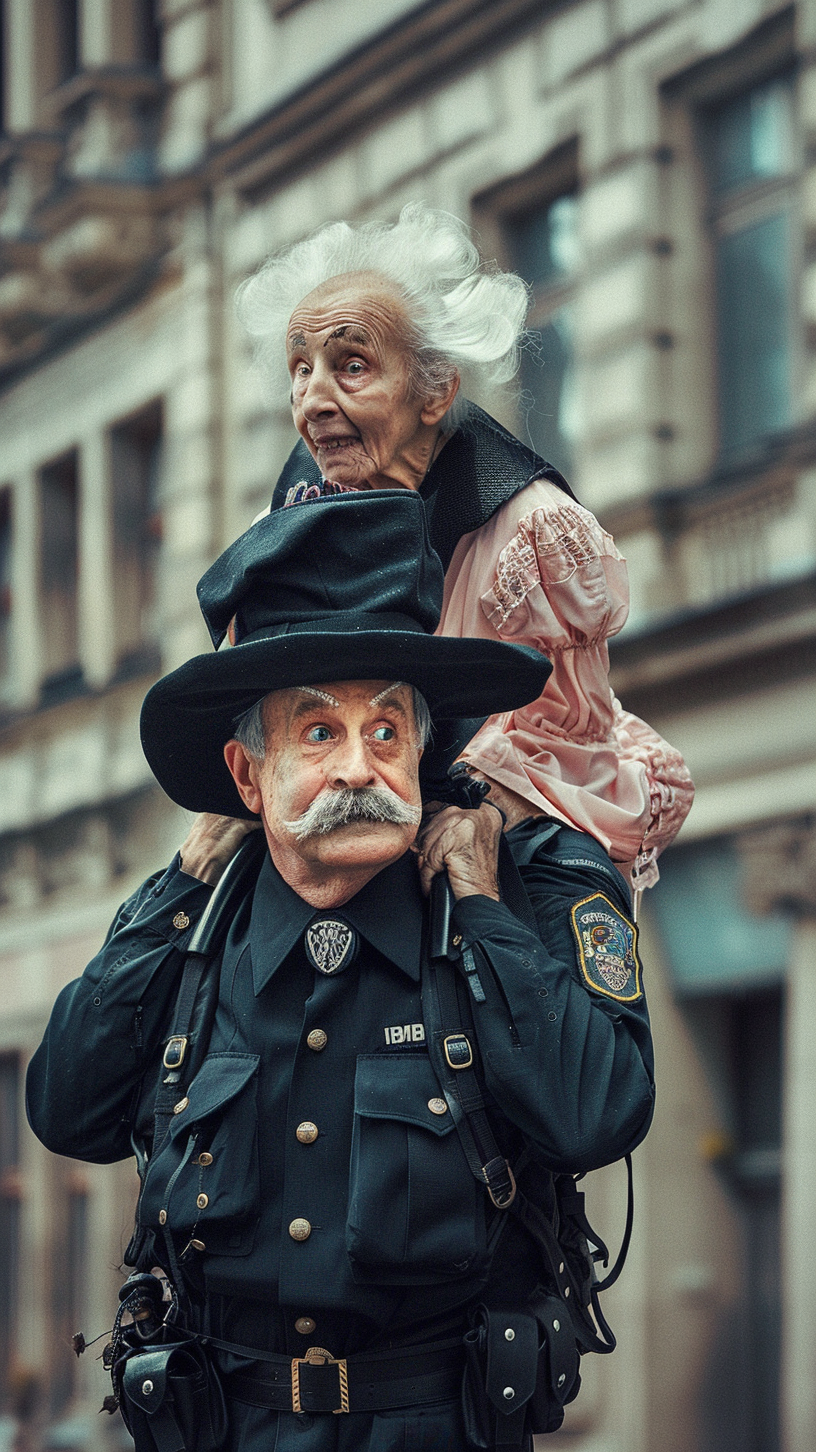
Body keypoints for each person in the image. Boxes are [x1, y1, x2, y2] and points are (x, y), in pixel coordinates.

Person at [26, 492, 654, 1452]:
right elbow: (65, 1108)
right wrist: (183, 879)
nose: (361, 767)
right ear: (248, 776)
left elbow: (601, 1113)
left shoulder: (520, 894)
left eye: (389, 731)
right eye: (319, 734)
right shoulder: (197, 927)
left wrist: (484, 905)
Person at [239, 203, 694, 894]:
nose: (313, 400)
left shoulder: (533, 533)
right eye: (301, 370)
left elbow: (572, 737)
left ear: (434, 391)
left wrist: (484, 809)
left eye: (351, 365)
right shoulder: (295, 515)